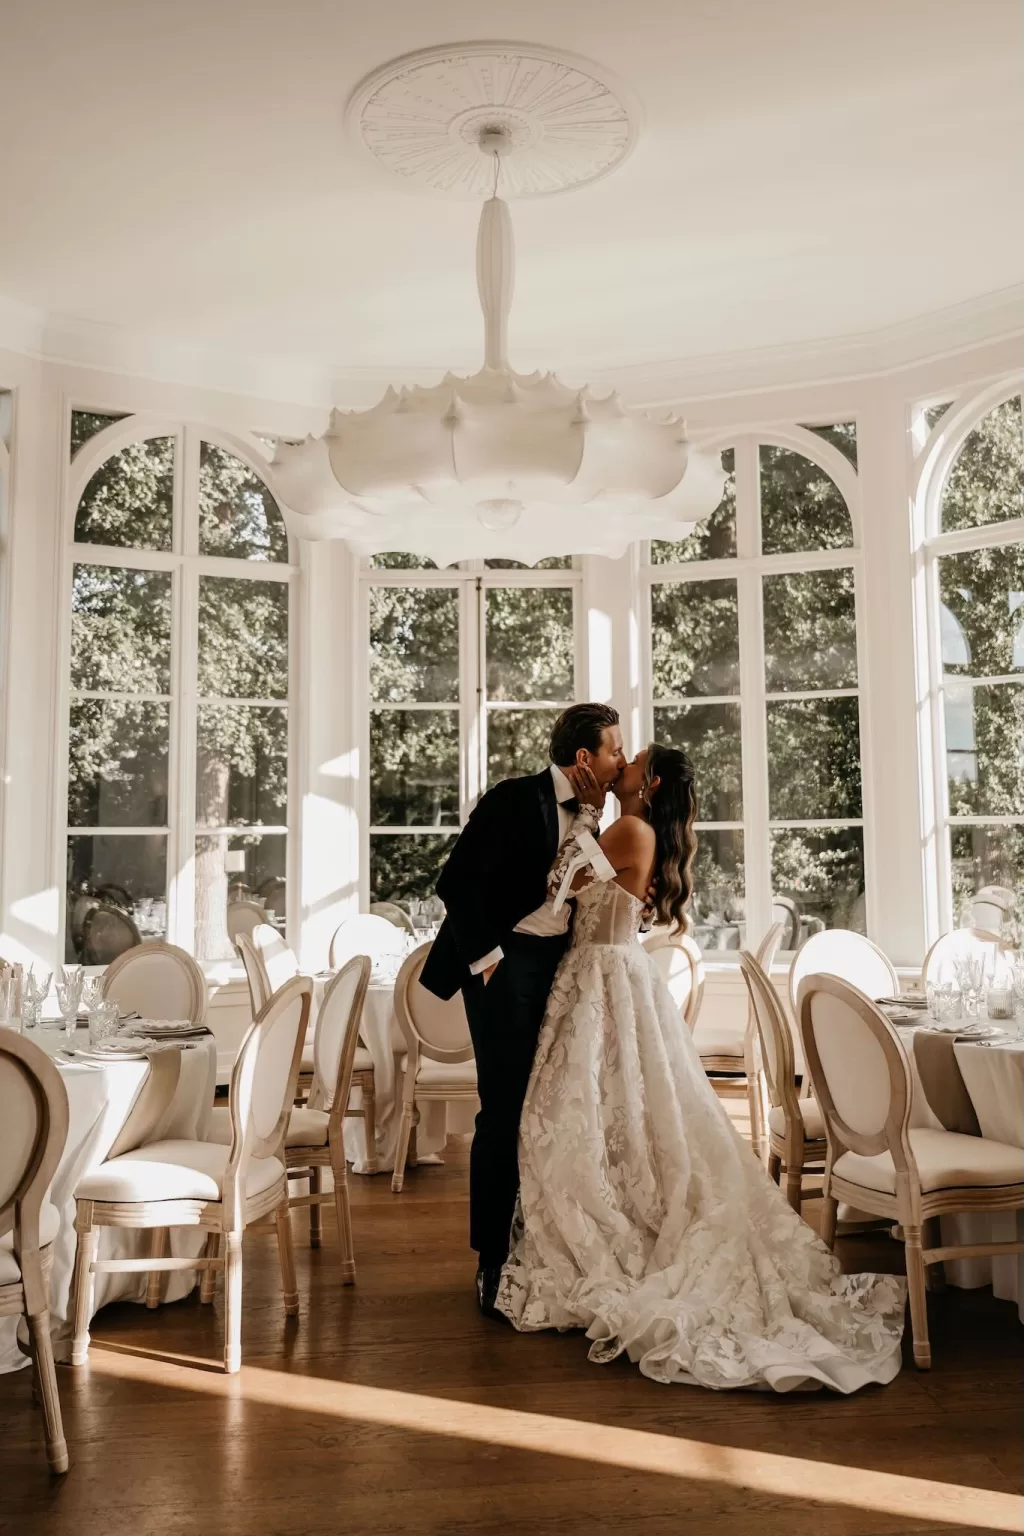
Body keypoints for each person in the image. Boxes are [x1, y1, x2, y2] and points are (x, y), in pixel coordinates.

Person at [496, 743, 906, 1392]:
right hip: (602, 977)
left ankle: (615, 1224)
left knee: (596, 1113)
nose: (622, 761)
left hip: (604, 980)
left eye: (632, 762)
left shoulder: (629, 829)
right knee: (606, 1114)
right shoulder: (629, 828)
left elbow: (557, 882)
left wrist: (580, 818)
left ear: (648, 783)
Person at [420, 703, 628, 1318]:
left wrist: (591, 817)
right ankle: (491, 1259)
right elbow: (455, 883)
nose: (622, 759)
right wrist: (488, 963)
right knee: (505, 1110)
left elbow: (571, 882)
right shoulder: (513, 799)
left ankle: (537, 1243)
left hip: (557, 967)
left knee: (547, 1109)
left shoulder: (597, 810)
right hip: (504, 967)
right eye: (615, 749)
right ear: (585, 757)